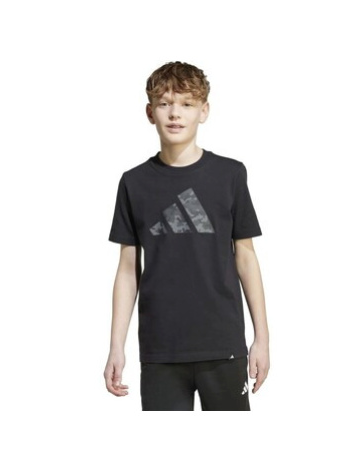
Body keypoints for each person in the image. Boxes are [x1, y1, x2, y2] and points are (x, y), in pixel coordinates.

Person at [103, 61, 270, 411]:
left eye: (187, 104)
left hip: (223, 344)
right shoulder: (134, 183)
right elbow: (128, 269)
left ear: (203, 111)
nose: (175, 113)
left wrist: (262, 337)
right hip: (161, 349)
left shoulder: (230, 175)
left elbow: (245, 257)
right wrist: (116, 346)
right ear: (150, 112)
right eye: (164, 103)